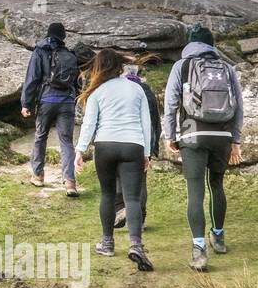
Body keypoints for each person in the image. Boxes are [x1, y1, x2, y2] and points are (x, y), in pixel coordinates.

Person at [163, 24, 243, 272]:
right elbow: (238, 106)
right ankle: (218, 237)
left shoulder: (182, 66)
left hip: (192, 133)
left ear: (190, 43)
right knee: (216, 185)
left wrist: (170, 136)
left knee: (195, 190)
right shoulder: (227, 68)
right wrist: (235, 140)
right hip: (222, 135)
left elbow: (171, 103)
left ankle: (199, 251)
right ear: (211, 44)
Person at [73, 47, 154, 271]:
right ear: (119, 66)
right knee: (133, 199)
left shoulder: (97, 92)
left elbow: (89, 124)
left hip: (105, 145)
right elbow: (145, 123)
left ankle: (107, 243)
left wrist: (79, 151)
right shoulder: (136, 89)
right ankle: (136, 245)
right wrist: (146, 153)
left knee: (108, 194)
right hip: (133, 145)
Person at [20, 22, 80, 196]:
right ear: (63, 37)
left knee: (40, 136)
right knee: (66, 141)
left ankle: (38, 175)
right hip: (67, 101)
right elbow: (76, 81)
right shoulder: (68, 54)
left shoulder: (40, 51)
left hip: (47, 100)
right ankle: (70, 182)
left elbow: (32, 79)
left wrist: (26, 104)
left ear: (48, 34)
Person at [113, 53, 162, 229]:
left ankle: (120, 211)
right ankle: (139, 220)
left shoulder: (114, 88)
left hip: (118, 140)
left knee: (117, 176)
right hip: (142, 143)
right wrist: (153, 147)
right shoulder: (145, 89)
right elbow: (155, 119)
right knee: (140, 180)